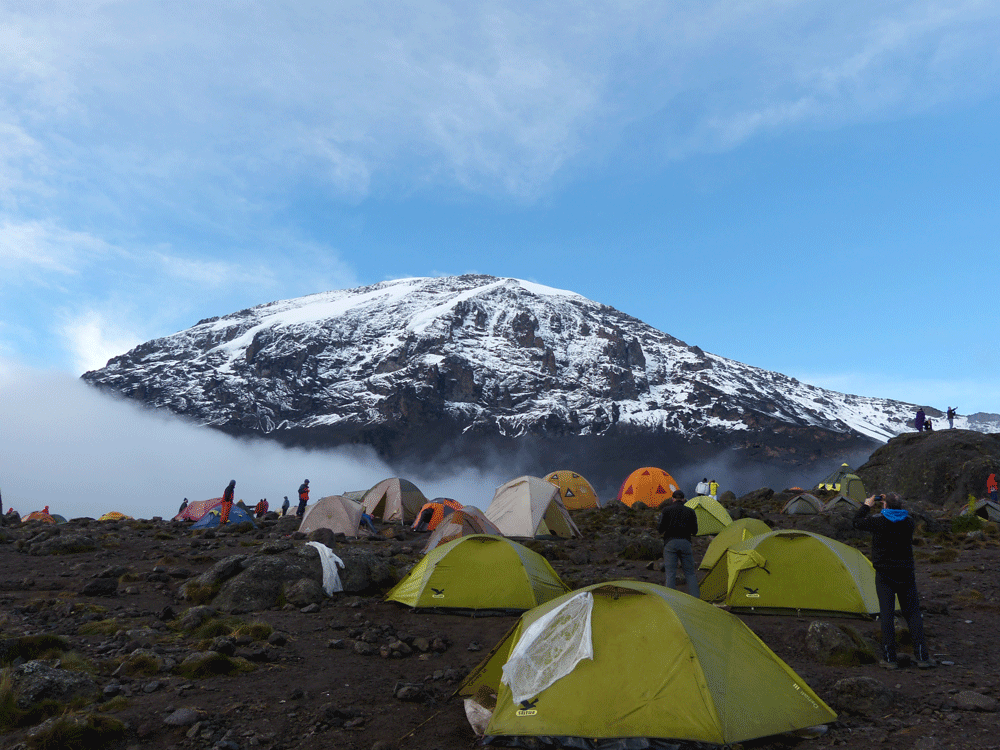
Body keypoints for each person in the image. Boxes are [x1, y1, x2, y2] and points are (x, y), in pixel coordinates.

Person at [853, 493, 933, 669]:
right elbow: (897, 514)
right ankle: (922, 656)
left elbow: (856, 521)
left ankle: (890, 659)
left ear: (885, 506)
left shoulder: (878, 522)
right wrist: (888, 503)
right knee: (912, 613)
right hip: (906, 574)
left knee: (887, 615)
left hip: (885, 575)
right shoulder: (909, 522)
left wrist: (867, 505)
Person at [657, 490, 700, 598]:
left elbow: (660, 529)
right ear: (684, 499)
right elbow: (695, 531)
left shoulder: (666, 510)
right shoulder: (690, 511)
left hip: (670, 543)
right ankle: (696, 599)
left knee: (670, 573)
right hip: (685, 542)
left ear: (673, 499)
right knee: (690, 573)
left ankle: (671, 601)